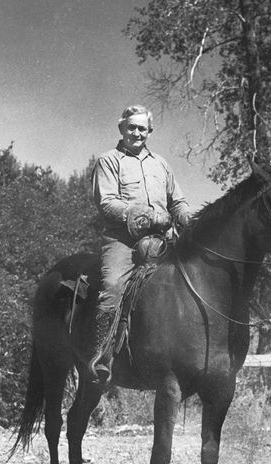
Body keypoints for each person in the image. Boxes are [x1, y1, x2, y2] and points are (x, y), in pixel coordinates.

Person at [90, 104, 193, 382]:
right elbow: (108, 202)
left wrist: (187, 219)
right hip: (122, 240)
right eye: (131, 127)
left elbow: (178, 201)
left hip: (161, 241)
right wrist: (144, 216)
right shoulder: (108, 161)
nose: (136, 132)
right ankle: (103, 354)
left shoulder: (161, 164)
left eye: (142, 128)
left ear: (150, 131)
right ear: (121, 128)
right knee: (112, 286)